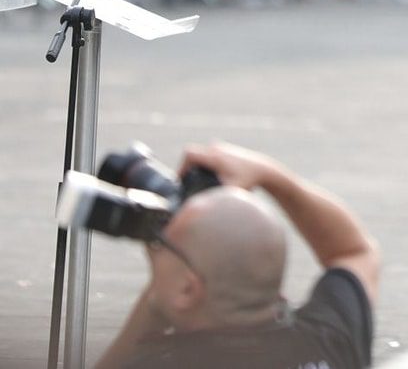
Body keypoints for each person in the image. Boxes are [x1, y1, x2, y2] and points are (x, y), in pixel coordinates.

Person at [95, 142, 379, 369]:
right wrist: (272, 176)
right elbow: (354, 252)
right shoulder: (328, 342)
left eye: (160, 243)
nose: (153, 249)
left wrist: (160, 296)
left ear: (188, 289)